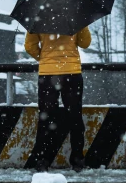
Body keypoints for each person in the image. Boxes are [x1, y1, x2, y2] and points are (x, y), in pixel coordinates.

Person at [24, 26, 91, 171]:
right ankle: (77, 159)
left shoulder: (39, 17)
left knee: (46, 117)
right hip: (72, 73)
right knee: (75, 116)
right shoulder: (75, 16)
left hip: (48, 75)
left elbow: (29, 46)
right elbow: (85, 43)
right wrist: (83, 25)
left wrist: (45, 59)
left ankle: (42, 160)